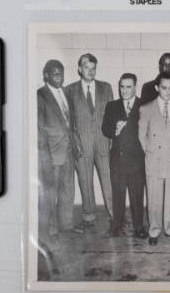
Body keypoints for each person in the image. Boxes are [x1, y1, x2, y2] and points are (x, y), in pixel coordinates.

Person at [37, 59, 84, 248]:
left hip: (68, 150)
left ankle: (66, 225)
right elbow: (39, 129)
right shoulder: (40, 95)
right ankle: (50, 229)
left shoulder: (66, 92)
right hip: (52, 153)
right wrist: (45, 155)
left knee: (67, 190)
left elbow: (70, 123)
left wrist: (77, 143)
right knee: (50, 193)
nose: (60, 77)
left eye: (62, 73)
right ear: (47, 75)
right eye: (56, 74)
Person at [65, 53, 114, 229]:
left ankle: (115, 214)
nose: (90, 71)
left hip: (103, 142)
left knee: (109, 179)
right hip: (81, 144)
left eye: (93, 68)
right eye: (86, 68)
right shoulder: (69, 90)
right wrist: (74, 141)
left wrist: (111, 140)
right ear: (79, 69)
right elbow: (68, 121)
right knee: (85, 181)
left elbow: (112, 116)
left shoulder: (106, 88)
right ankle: (88, 215)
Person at [138, 73, 170, 248]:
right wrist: (151, 153)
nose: (167, 92)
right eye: (163, 88)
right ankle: (154, 229)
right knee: (154, 197)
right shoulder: (146, 109)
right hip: (154, 158)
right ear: (157, 88)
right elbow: (142, 136)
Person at [102, 73, 147, 239]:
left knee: (137, 197)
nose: (125, 90)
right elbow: (104, 129)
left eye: (128, 86)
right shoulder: (112, 105)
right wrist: (115, 129)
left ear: (135, 87)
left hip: (137, 160)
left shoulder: (144, 105)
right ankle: (116, 225)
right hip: (118, 160)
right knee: (118, 196)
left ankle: (139, 227)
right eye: (122, 86)